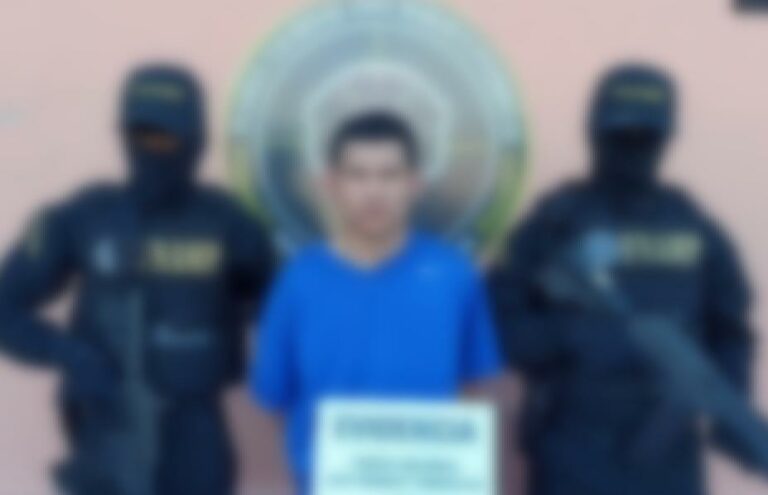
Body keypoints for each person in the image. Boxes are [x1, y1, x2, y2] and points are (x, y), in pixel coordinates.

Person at [0, 64, 274, 495]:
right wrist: (69, 354)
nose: (153, 150)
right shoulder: (87, 216)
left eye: (167, 138)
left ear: (196, 141)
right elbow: (6, 309)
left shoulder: (228, 222)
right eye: (141, 136)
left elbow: (287, 309)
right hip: (110, 432)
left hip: (197, 435)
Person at [490, 63, 756, 495]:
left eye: (644, 139)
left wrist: (729, 406)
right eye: (621, 137)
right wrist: (572, 335)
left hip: (666, 457)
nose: (632, 150)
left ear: (664, 141)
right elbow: (502, 325)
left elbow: (731, 332)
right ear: (596, 133)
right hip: (570, 446)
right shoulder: (555, 223)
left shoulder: (694, 229)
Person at [250, 112, 502, 492]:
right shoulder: (298, 281)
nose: (374, 192)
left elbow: (474, 386)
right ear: (332, 184)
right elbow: (275, 398)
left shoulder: (452, 276)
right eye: (358, 175)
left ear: (414, 184)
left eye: (389, 175)